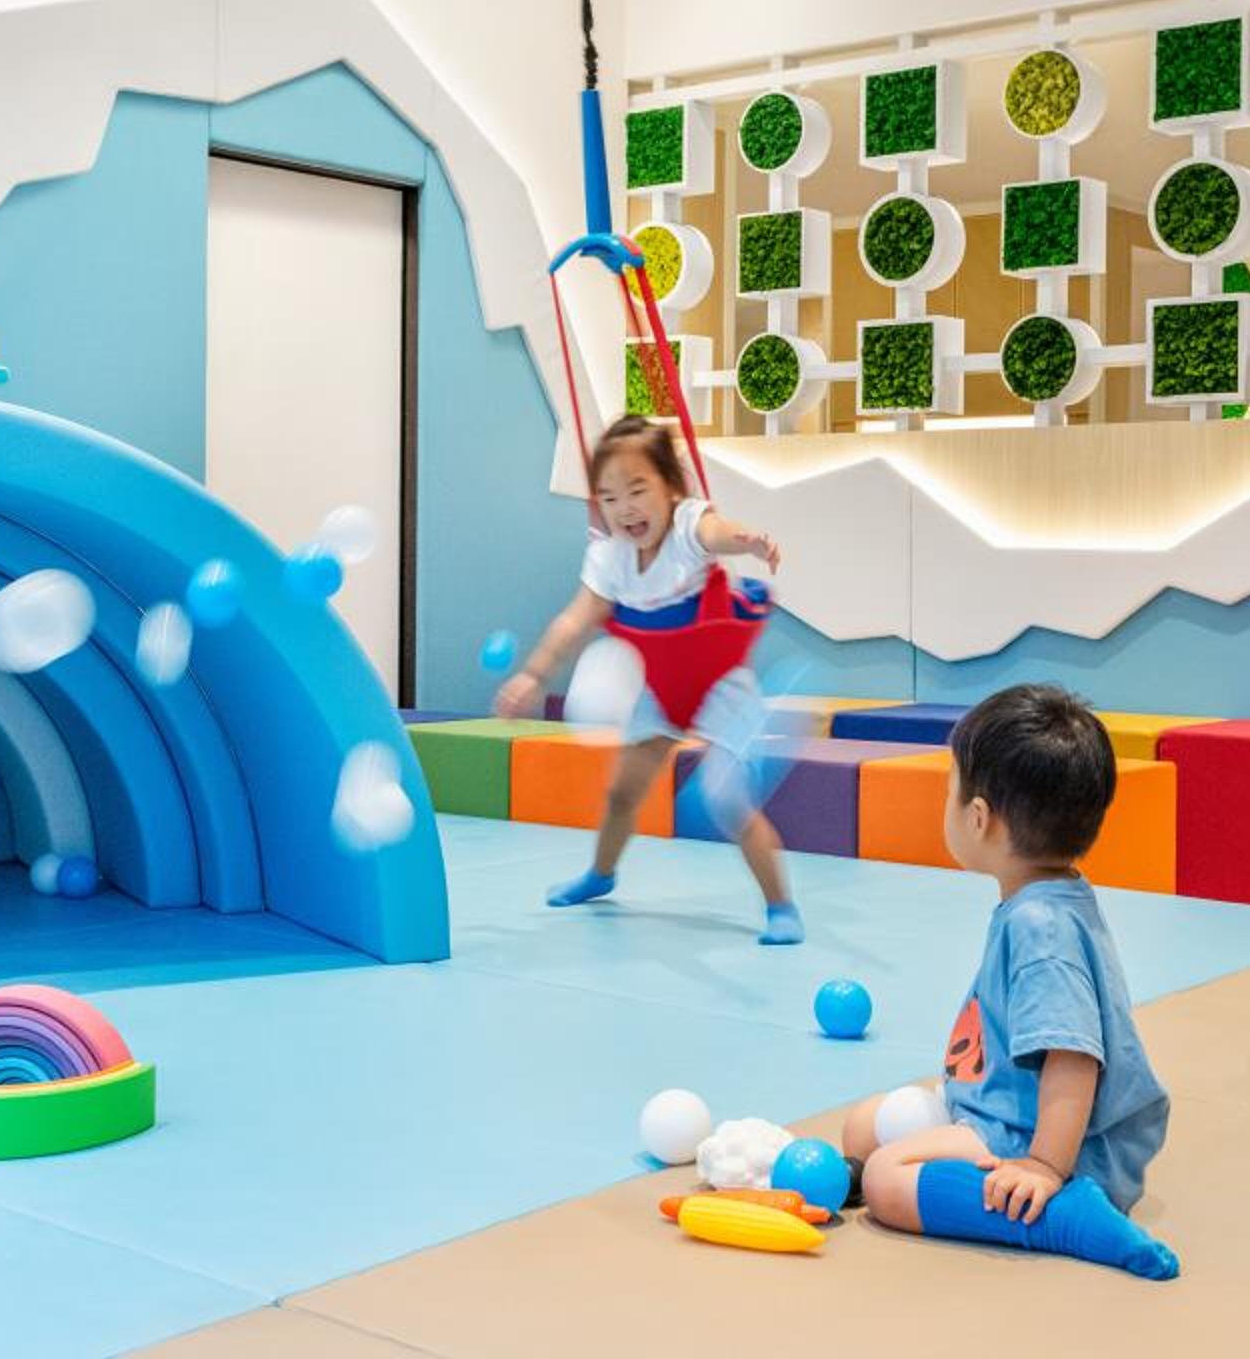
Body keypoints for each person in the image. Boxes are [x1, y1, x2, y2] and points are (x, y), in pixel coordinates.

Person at [833, 684, 1179, 1279]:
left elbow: (1074, 1058)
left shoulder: (1041, 928)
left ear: (978, 818)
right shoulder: (1046, 898)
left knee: (886, 1179)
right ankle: (966, 1177)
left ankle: (1064, 1215)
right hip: (999, 1107)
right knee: (862, 1127)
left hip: (1052, 1142)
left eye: (949, 790)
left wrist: (1044, 1166)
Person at [495, 416, 803, 944]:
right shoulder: (609, 557)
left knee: (726, 801)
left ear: (672, 487)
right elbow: (574, 620)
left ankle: (781, 906)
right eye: (610, 497)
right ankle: (601, 873)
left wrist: (746, 541)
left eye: (638, 490)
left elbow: (715, 531)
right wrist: (533, 674)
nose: (626, 508)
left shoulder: (686, 528)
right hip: (661, 691)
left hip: (720, 688)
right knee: (622, 792)